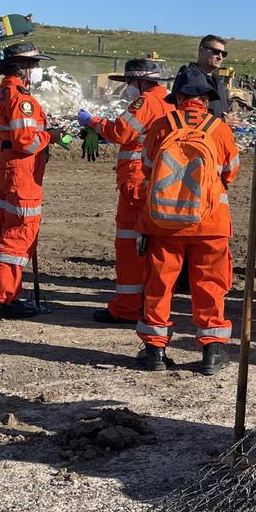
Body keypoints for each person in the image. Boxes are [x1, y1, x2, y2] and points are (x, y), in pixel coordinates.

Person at [134, 67, 241, 374]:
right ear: (206, 99)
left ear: (178, 97)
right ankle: (212, 351)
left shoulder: (161, 125)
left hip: (164, 220)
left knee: (159, 284)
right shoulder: (219, 129)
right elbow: (230, 171)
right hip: (210, 222)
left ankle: (154, 351)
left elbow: (147, 168)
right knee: (210, 284)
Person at [76, 59, 174, 324]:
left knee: (129, 246)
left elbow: (122, 131)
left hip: (136, 180)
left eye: (130, 82)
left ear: (141, 81)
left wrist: (92, 122)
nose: (128, 88)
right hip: (160, 181)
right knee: (152, 246)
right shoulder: (169, 101)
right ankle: (148, 305)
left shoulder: (145, 102)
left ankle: (127, 307)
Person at [0, 31, 64, 319]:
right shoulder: (21, 98)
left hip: (1, 164)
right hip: (19, 168)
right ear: (23, 69)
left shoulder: (1, 91)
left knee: (2, 230)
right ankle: (4, 300)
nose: (37, 71)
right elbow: (26, 141)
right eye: (35, 65)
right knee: (19, 233)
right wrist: (51, 136)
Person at [183, 34, 239, 123]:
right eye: (216, 52)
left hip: (217, 135)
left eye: (223, 54)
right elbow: (187, 119)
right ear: (201, 51)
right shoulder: (190, 80)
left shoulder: (218, 82)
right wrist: (223, 121)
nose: (220, 57)